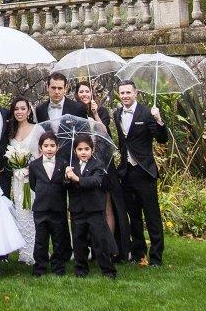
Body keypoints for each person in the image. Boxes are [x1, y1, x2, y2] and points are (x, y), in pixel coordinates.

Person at [112, 80, 168, 266]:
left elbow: (162, 139)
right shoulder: (117, 114)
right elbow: (123, 142)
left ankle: (156, 257)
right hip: (126, 172)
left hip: (145, 172)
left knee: (152, 216)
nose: (125, 96)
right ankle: (139, 254)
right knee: (134, 217)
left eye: (128, 92)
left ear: (135, 93)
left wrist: (158, 120)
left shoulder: (147, 113)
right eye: (122, 93)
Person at [76, 80, 130, 262]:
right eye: (81, 91)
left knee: (107, 206)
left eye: (87, 91)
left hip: (103, 164)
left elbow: (105, 133)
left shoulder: (102, 111)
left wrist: (95, 114)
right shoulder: (76, 113)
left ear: (92, 93)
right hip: (84, 166)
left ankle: (109, 248)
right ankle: (91, 247)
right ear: (77, 94)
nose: (84, 94)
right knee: (89, 207)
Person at [65, 134, 117, 279]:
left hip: (94, 209)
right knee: (79, 240)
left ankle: (108, 270)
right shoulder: (71, 166)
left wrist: (76, 178)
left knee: (100, 240)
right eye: (80, 149)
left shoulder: (98, 165)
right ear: (75, 151)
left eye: (86, 149)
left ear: (92, 150)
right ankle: (80, 269)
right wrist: (67, 177)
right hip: (77, 209)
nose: (83, 152)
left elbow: (95, 181)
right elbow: (66, 186)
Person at [27, 131, 70, 277]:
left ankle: (58, 267)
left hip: (58, 207)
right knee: (41, 240)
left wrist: (67, 178)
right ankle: (40, 268)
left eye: (52, 145)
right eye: (46, 146)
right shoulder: (34, 165)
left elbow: (66, 185)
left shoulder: (63, 163)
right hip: (41, 208)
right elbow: (33, 184)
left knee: (59, 239)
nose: (49, 149)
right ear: (40, 147)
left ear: (57, 147)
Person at [4, 96, 38, 264]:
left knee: (32, 212)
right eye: (16, 109)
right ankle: (24, 252)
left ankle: (35, 251)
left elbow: (42, 153)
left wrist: (31, 169)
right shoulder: (11, 131)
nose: (19, 112)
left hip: (32, 179)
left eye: (23, 108)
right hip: (17, 180)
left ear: (29, 111)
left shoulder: (37, 129)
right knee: (21, 213)